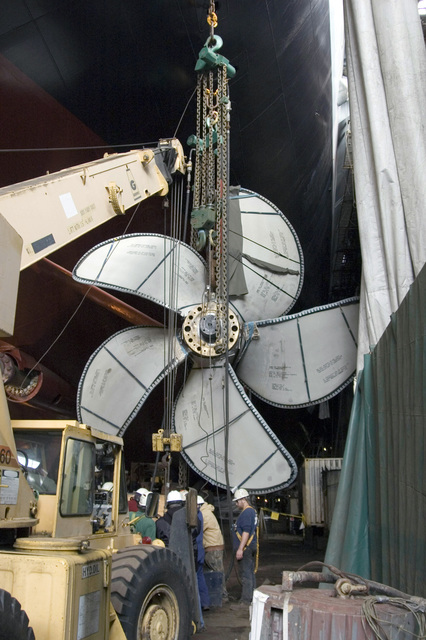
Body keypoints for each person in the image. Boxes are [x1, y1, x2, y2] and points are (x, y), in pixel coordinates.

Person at [230, 488, 258, 611]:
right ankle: (252, 598)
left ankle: (246, 601)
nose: (236, 504)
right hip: (250, 547)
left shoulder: (247, 513)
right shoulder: (251, 512)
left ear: (243, 499)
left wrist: (241, 549)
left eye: (237, 501)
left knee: (246, 574)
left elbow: (246, 532)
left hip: (246, 548)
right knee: (250, 573)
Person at [199, 496, 229, 602]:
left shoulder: (204, 514)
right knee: (214, 571)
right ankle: (217, 594)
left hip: (213, 548)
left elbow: (198, 529)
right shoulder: (207, 512)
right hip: (212, 547)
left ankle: (223, 596)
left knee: (217, 571)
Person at [196, 496, 210, 611]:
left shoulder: (195, 516)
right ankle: (205, 602)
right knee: (200, 577)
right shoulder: (200, 514)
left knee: (195, 578)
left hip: (196, 552)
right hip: (200, 551)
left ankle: (197, 605)